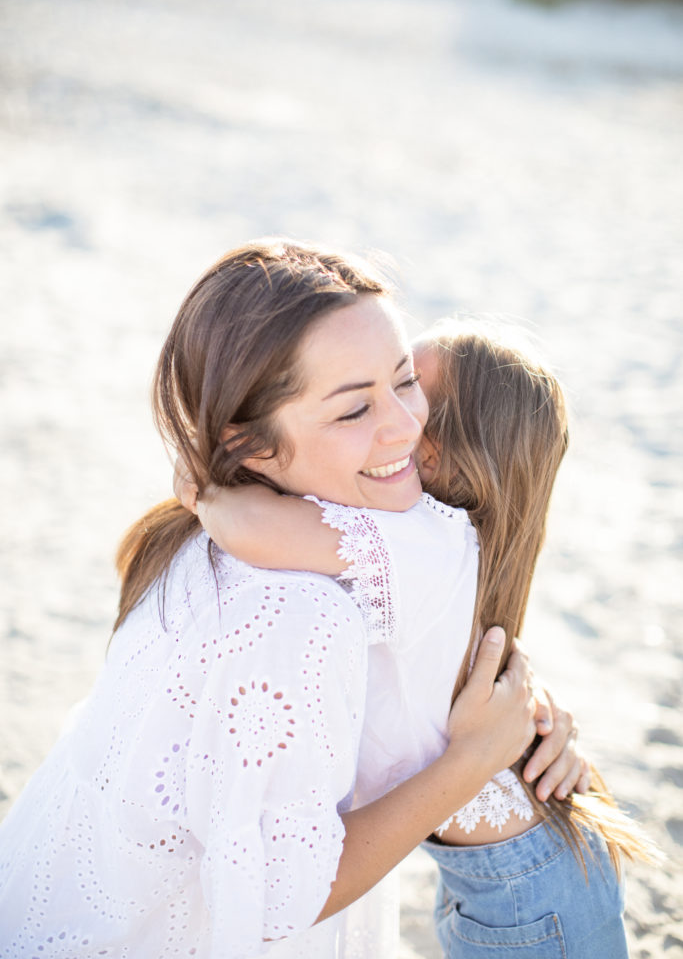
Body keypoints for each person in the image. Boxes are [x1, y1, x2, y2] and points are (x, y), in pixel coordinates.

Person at [0, 240, 582, 959]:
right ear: (251, 444)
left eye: (405, 381)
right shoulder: (300, 611)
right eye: (353, 409)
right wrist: (475, 757)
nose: (410, 425)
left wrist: (206, 489)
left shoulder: (199, 540)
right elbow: (283, 898)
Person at [184, 314, 659, 957]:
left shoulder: (423, 538)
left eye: (408, 386)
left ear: (433, 450)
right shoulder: (444, 546)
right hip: (519, 867)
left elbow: (253, 530)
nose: (390, 406)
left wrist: (200, 487)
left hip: (523, 886)